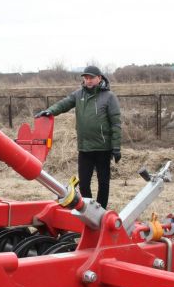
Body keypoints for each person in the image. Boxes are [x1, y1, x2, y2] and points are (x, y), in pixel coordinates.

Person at [35, 65, 121, 209]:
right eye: (86, 78)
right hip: (85, 147)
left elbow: (116, 123)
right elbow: (64, 104)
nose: (88, 81)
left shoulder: (109, 97)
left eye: (91, 78)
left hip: (103, 148)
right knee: (84, 183)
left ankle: (101, 210)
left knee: (103, 182)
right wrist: (49, 111)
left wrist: (116, 147)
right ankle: (87, 209)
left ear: (99, 78)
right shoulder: (78, 95)